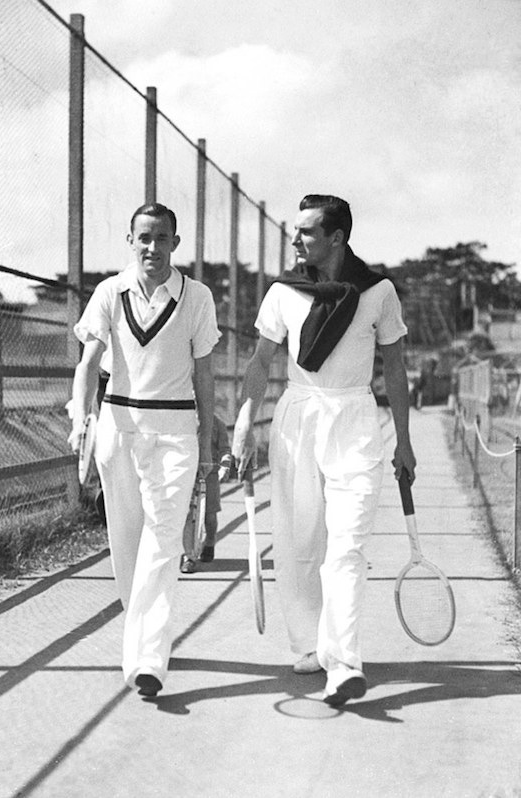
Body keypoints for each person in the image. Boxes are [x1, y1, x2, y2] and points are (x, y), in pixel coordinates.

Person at [232, 194, 416, 707]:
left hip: (356, 419)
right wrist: (245, 422)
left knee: (347, 545)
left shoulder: (378, 292)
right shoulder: (282, 293)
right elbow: (260, 360)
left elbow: (395, 368)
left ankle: (344, 662)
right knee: (298, 542)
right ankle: (310, 643)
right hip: (298, 419)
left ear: (337, 238)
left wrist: (403, 439)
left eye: (307, 233)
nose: (296, 241)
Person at [68, 202, 220, 698]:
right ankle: (142, 640)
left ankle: (149, 659)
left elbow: (204, 373)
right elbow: (90, 362)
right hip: (118, 429)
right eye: (143, 238)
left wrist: (207, 430)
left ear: (176, 243)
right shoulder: (110, 292)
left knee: (163, 538)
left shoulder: (197, 297)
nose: (152, 248)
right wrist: (79, 415)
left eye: (162, 238)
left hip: (176, 432)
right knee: (128, 545)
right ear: (131, 242)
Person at [180, 413, 232, 573]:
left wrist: (225, 465)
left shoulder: (218, 424)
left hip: (210, 475)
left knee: (209, 516)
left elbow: (224, 449)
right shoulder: (182, 419)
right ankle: (188, 556)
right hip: (187, 473)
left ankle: (209, 542)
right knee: (187, 515)